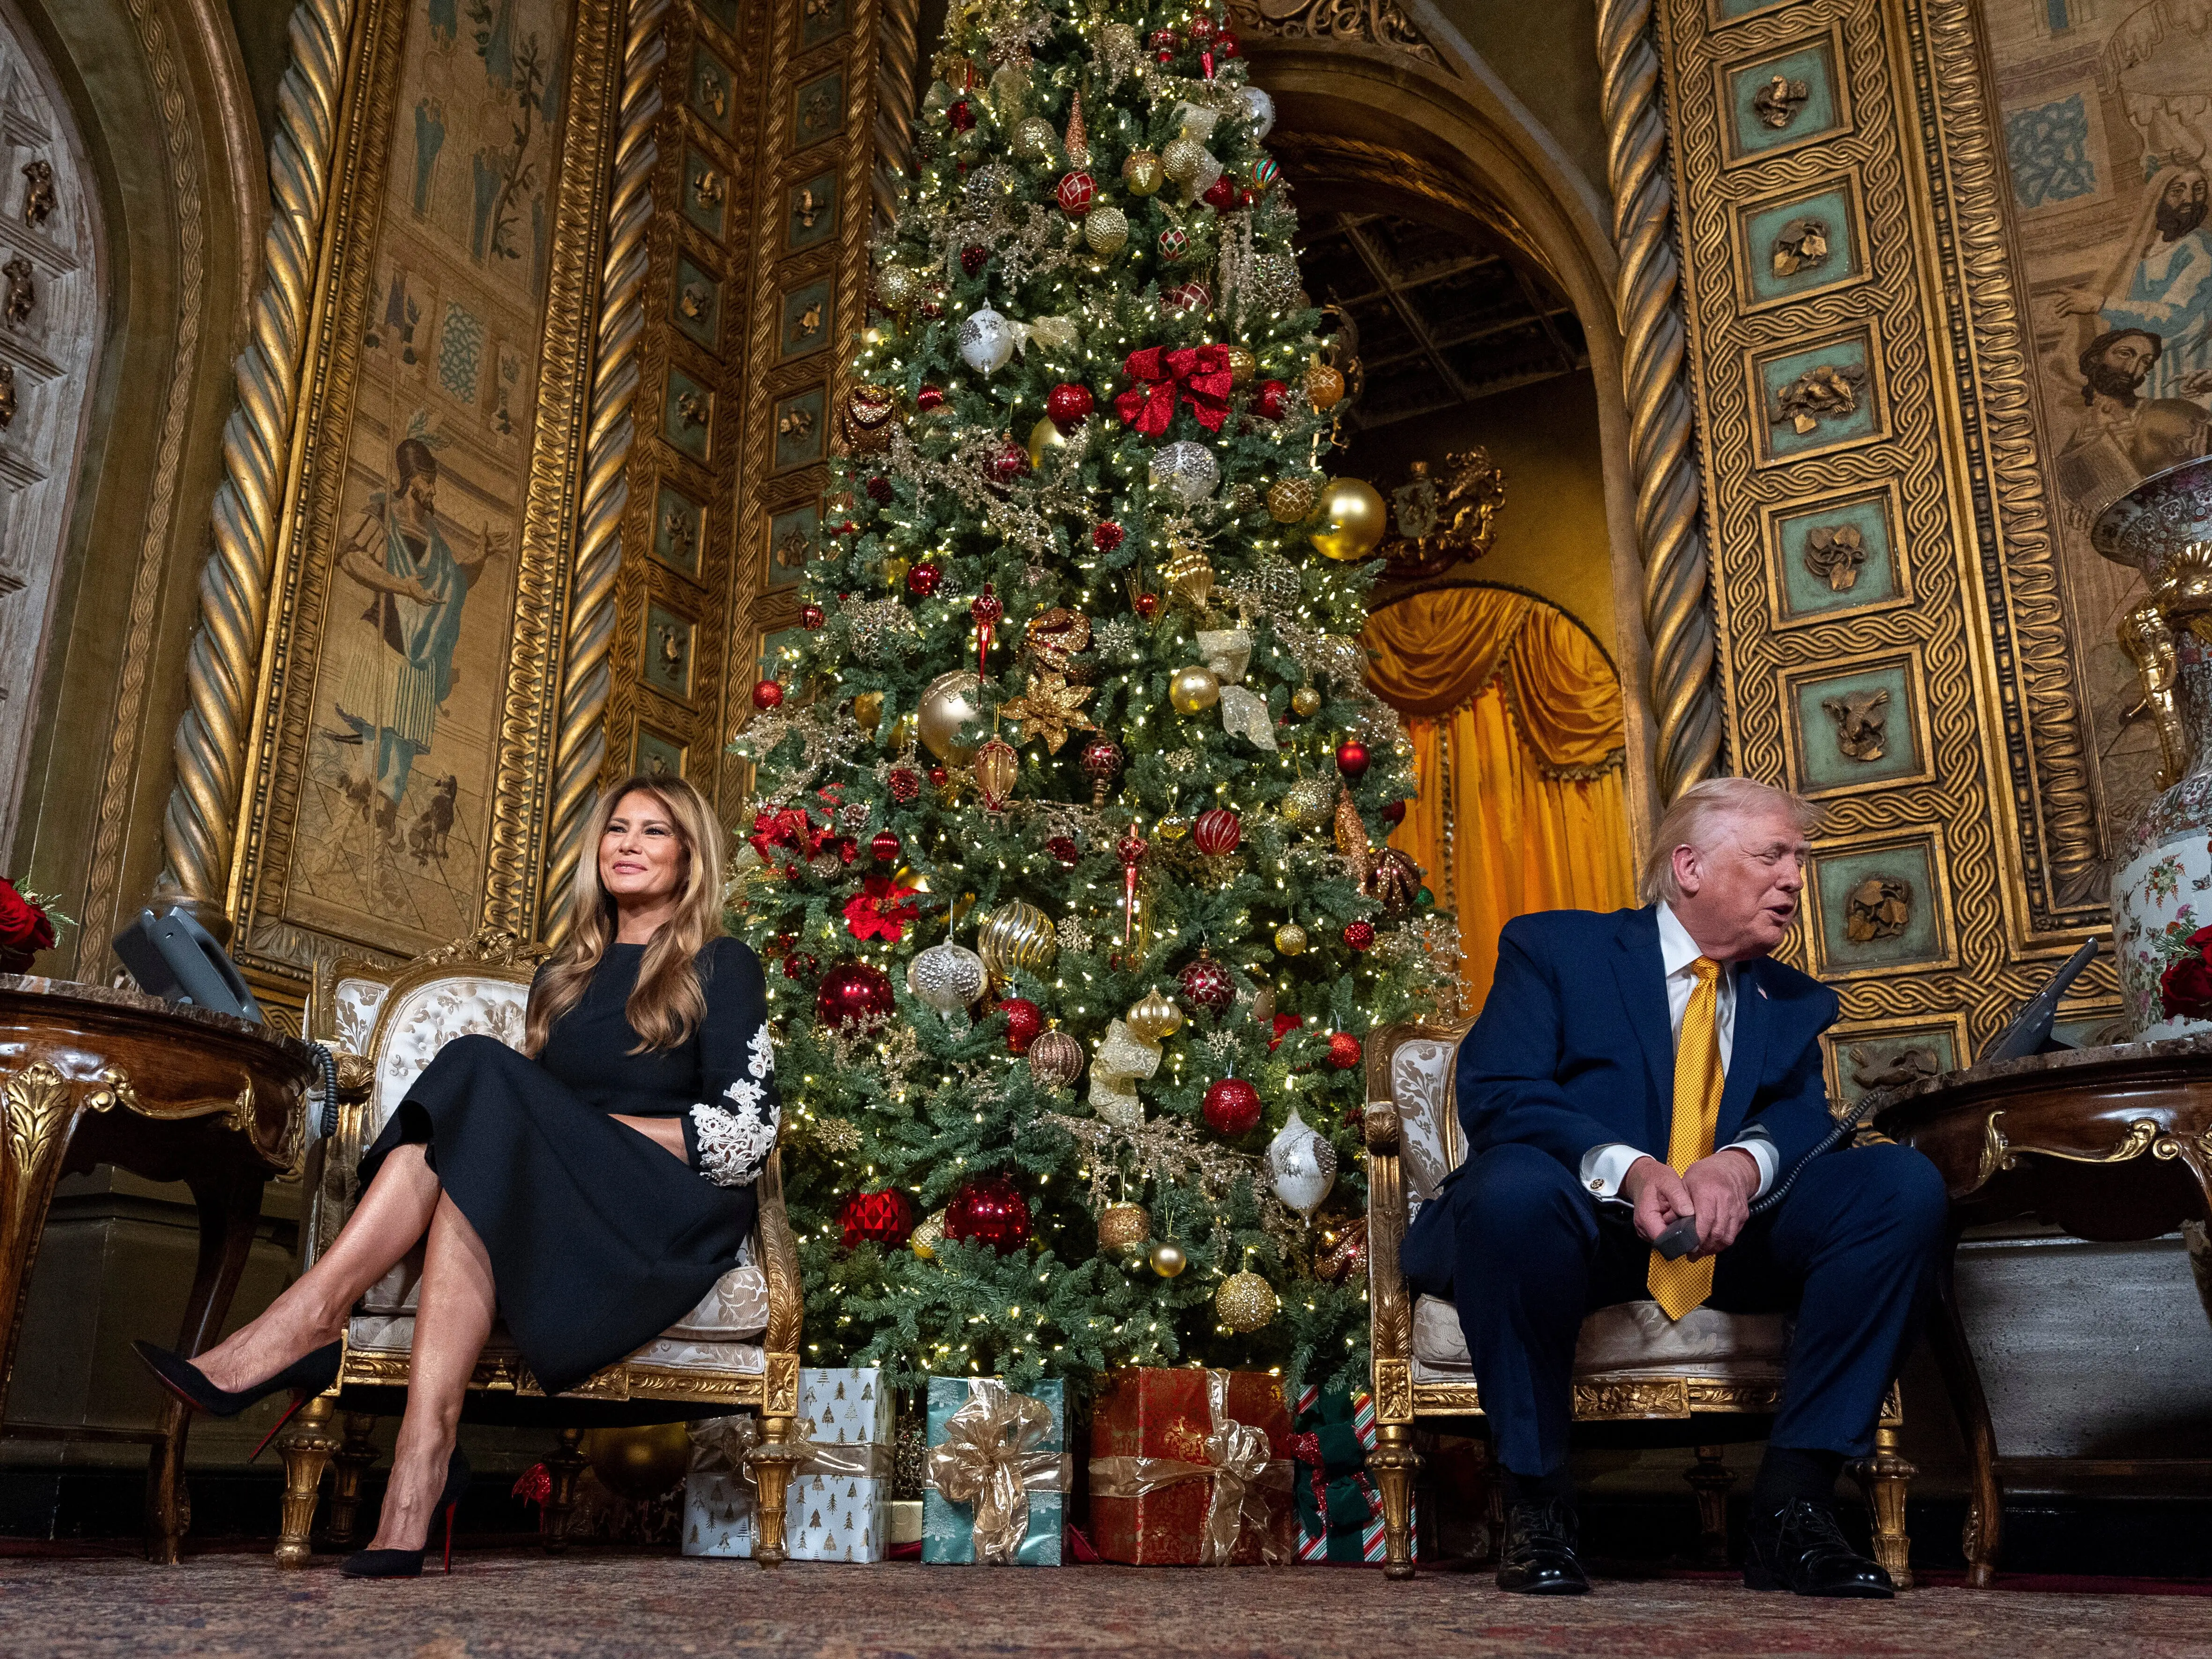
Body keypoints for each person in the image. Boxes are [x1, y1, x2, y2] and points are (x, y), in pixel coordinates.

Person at [131, 775, 778, 1577]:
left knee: (476, 1071)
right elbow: (528, 1131)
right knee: (468, 1154)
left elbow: (745, 1135)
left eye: (655, 831)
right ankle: (421, 1463)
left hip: (662, 1211)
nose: (629, 845)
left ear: (689, 856)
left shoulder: (722, 965)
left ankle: (307, 1324)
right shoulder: (564, 976)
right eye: (618, 828)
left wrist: (581, 1133)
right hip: (571, 1200)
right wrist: (548, 1138)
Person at [1399, 777, 1948, 1599]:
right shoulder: (1556, 949)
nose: (1795, 879)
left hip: (1726, 1244)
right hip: (1575, 1236)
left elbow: (1800, 1117)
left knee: (1899, 1184)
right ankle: (1538, 1505)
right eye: (1773, 856)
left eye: (1800, 860)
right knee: (1512, 1188)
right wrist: (1632, 1168)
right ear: (1689, 867)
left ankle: (1794, 1508)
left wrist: (1740, 1165)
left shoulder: (1793, 1000)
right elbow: (1501, 1092)